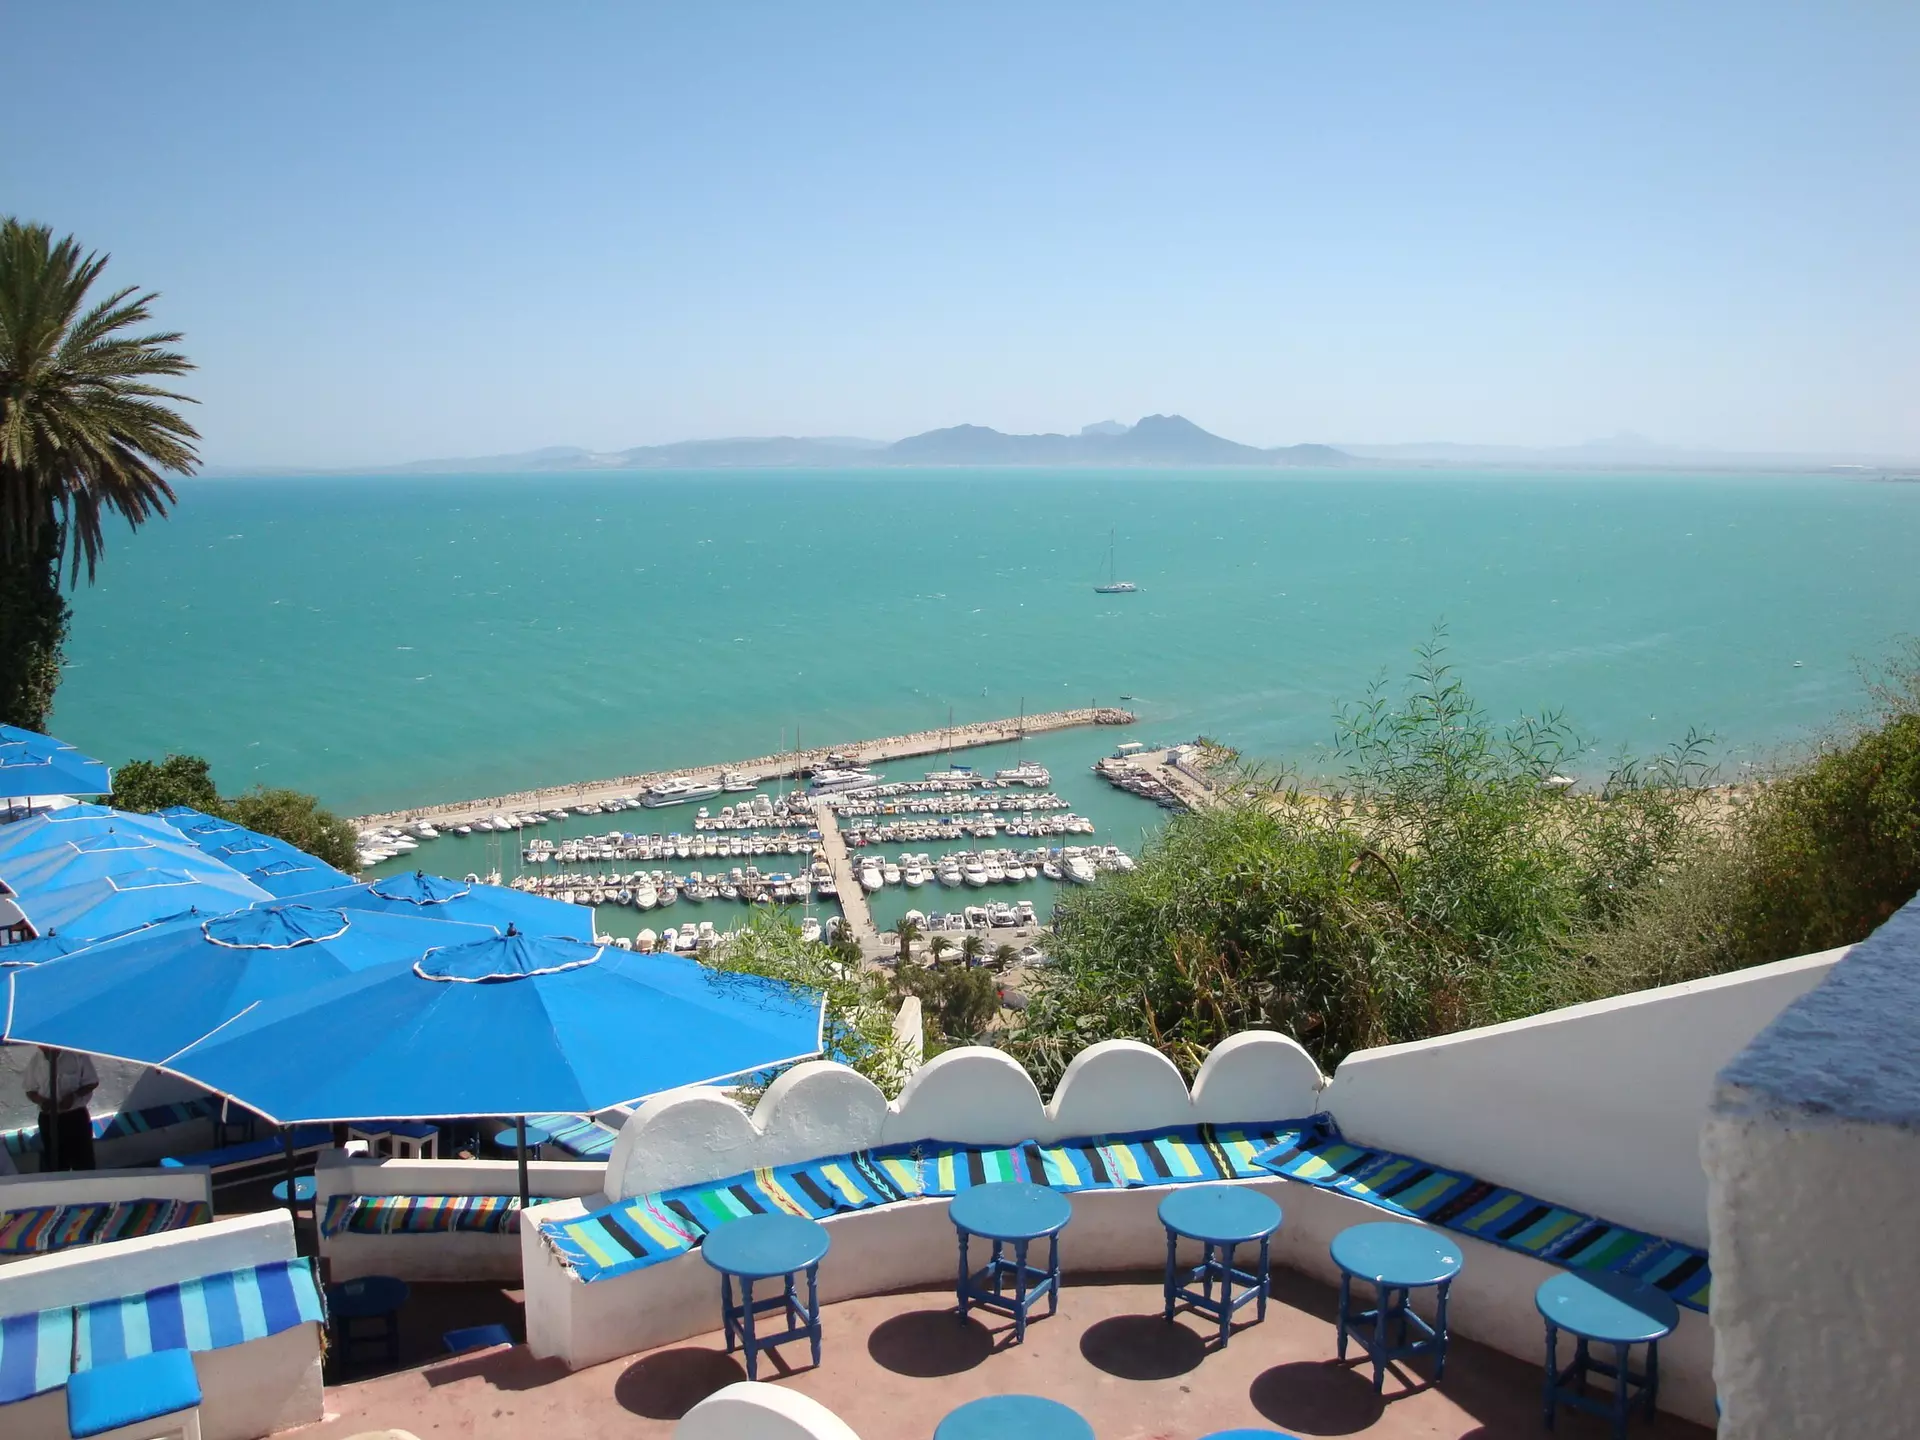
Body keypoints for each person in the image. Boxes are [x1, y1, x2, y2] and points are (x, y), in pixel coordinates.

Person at [25, 1045, 98, 1171]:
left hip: (75, 1117)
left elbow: (92, 1082)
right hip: (48, 1119)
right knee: (55, 1166)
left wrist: (74, 1096)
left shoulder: (77, 1055)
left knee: (84, 1164)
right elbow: (30, 1090)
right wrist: (42, 1102)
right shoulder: (36, 1060)